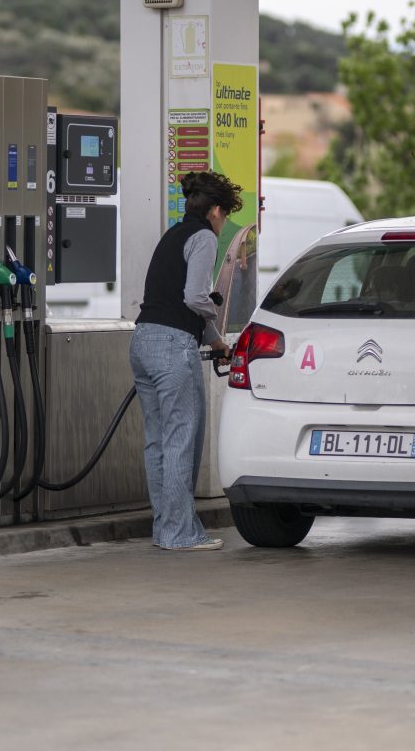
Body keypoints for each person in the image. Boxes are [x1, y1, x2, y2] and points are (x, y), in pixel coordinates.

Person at [131, 170, 242, 552]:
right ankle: (181, 533)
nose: (223, 223)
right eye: (224, 215)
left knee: (158, 442)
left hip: (143, 341)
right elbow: (195, 298)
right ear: (215, 211)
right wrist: (214, 306)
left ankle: (166, 528)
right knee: (182, 439)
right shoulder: (205, 239)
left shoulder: (173, 236)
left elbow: (174, 302)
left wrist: (215, 342)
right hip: (173, 349)